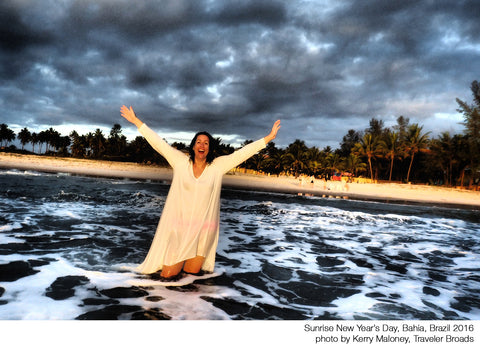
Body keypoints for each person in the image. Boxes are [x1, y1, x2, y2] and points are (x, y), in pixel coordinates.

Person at [120, 105, 281, 279]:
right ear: (193, 146)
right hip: (179, 228)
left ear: (209, 148)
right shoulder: (180, 162)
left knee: (190, 280)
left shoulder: (217, 167)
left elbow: (242, 153)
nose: (202, 145)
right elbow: (159, 144)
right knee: (167, 277)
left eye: (206, 143)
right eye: (199, 142)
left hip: (204, 229)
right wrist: (136, 121)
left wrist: (269, 138)